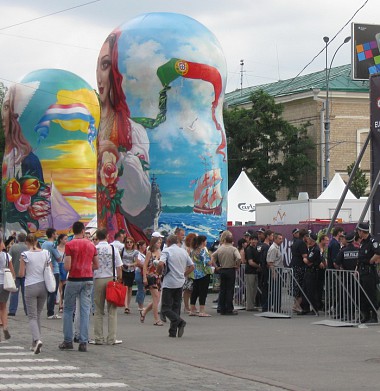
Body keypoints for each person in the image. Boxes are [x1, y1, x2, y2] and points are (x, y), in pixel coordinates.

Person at [96, 30, 152, 242]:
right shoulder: (98, 127)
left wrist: (125, 162)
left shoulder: (133, 130)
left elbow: (139, 200)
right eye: (99, 66)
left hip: (121, 226)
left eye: (106, 65)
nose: (101, 76)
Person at [2, 84, 45, 235]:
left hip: (23, 227)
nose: (3, 115)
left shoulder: (29, 160)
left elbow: (39, 195)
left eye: (7, 107)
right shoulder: (9, 156)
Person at [59, 221, 99, 353]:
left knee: (68, 309)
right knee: (85, 310)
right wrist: (87, 267)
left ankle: (68, 340)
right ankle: (83, 341)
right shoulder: (91, 245)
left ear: (73, 231)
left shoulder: (69, 245)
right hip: (88, 279)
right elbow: (96, 265)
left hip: (74, 279)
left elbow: (67, 266)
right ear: (83, 231)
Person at [157, 235, 194, 337]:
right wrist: (184, 274)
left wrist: (158, 272)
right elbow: (192, 266)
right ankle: (172, 331)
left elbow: (160, 264)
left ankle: (180, 321)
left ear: (168, 242)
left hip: (169, 282)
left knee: (165, 308)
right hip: (180, 281)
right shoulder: (183, 251)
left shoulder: (166, 251)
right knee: (176, 306)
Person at [19, 234, 51, 353]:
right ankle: (34, 343)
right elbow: (49, 269)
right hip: (43, 285)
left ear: (27, 242)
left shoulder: (25, 255)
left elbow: (21, 273)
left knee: (32, 316)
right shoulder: (46, 253)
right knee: (37, 314)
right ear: (37, 241)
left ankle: (37, 340)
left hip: (30, 285)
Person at [91, 229, 123, 345]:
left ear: (97, 237)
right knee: (112, 310)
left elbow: (91, 264)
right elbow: (119, 266)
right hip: (111, 278)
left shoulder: (95, 248)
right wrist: (119, 279)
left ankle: (98, 338)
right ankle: (111, 338)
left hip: (98, 278)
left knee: (98, 309)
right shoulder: (113, 248)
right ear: (107, 236)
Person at [212, 230, 241, 315]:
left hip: (222, 269)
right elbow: (239, 258)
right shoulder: (233, 249)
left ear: (224, 240)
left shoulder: (220, 248)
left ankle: (221, 308)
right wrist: (237, 265)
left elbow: (213, 256)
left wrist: (217, 266)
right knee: (230, 290)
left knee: (222, 289)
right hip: (230, 269)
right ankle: (229, 308)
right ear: (231, 241)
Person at [356, 222, 380, 323]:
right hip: (362, 272)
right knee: (362, 295)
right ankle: (365, 315)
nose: (358, 233)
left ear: (362, 231)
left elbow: (378, 252)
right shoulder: (363, 242)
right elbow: (360, 258)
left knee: (371, 295)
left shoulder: (372, 240)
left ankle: (374, 316)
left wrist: (371, 261)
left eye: (358, 231)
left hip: (369, 272)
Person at [141, 235, 163, 325]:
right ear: (154, 243)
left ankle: (144, 311)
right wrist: (144, 277)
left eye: (161, 242)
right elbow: (145, 265)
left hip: (159, 277)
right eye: (158, 242)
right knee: (156, 297)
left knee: (157, 299)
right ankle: (156, 319)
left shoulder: (160, 252)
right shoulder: (149, 252)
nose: (159, 244)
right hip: (151, 276)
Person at [299, 233, 322, 315]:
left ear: (311, 240)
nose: (307, 240)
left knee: (311, 291)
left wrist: (305, 259)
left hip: (312, 272)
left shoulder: (315, 249)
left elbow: (308, 261)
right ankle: (305, 308)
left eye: (308, 239)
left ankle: (314, 309)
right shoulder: (311, 248)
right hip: (308, 271)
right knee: (305, 290)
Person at [189, 235, 213, 317]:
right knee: (203, 291)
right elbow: (208, 263)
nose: (206, 242)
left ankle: (192, 309)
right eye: (205, 241)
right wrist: (212, 257)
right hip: (204, 273)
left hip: (195, 273)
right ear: (203, 242)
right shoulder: (203, 251)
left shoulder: (194, 251)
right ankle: (202, 310)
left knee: (195, 291)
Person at [42, 228, 61, 319]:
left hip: (46, 269)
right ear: (53, 234)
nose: (56, 235)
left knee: (49, 291)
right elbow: (58, 258)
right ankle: (51, 312)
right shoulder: (52, 244)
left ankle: (49, 310)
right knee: (53, 291)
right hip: (54, 269)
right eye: (56, 233)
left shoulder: (44, 244)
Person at [8, 232, 28, 316]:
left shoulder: (13, 247)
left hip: (15, 273)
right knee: (26, 294)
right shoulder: (27, 248)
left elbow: (9, 258)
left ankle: (12, 311)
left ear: (18, 238)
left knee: (14, 293)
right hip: (25, 273)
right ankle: (27, 310)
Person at [0, 235, 15, 342]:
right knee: (3, 307)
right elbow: (12, 270)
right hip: (4, 283)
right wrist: (13, 279)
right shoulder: (6, 256)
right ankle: (5, 327)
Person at [290, 228, 308, 313]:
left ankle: (296, 305)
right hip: (300, 266)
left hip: (294, 265)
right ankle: (296, 305)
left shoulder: (295, 243)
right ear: (304, 236)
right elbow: (304, 255)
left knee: (296, 286)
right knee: (300, 286)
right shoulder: (302, 244)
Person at [120, 236, 139, 314]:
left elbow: (136, 262)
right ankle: (126, 306)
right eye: (127, 242)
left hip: (131, 270)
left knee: (130, 288)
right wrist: (121, 265)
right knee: (126, 287)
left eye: (131, 242)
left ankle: (128, 304)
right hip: (123, 270)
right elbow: (119, 259)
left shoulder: (135, 252)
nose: (129, 244)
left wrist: (130, 265)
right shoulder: (122, 250)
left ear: (133, 243)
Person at [266, 233, 284, 313]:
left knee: (278, 290)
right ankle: (273, 307)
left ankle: (276, 307)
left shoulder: (276, 248)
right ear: (275, 239)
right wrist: (274, 273)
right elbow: (270, 262)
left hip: (278, 270)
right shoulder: (273, 248)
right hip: (275, 270)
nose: (281, 240)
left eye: (281, 238)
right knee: (275, 290)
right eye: (280, 239)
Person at [257, 229, 273, 312]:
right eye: (272, 235)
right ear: (268, 236)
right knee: (266, 289)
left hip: (264, 270)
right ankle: (265, 306)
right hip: (265, 271)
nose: (273, 237)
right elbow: (266, 260)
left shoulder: (265, 246)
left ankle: (265, 305)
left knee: (266, 289)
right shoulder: (266, 247)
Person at [245, 234, 260, 311]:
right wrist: (259, 267)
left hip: (255, 272)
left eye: (255, 239)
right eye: (252, 239)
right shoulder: (249, 249)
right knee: (250, 290)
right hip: (249, 272)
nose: (254, 241)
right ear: (250, 240)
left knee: (254, 290)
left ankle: (251, 305)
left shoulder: (257, 249)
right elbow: (250, 262)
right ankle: (249, 306)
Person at [183, 232, 196, 314]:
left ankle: (192, 305)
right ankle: (186, 306)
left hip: (193, 270)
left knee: (192, 289)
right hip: (188, 270)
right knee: (187, 289)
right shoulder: (187, 249)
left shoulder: (194, 249)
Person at [57, 234, 68, 313]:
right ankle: (60, 304)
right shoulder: (56, 248)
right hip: (58, 267)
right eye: (65, 239)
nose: (66, 241)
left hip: (65, 267)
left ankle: (64, 303)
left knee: (65, 286)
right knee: (60, 287)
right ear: (60, 240)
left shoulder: (67, 248)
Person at [135, 240, 147, 311]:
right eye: (144, 245)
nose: (145, 247)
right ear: (140, 246)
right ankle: (140, 305)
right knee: (141, 289)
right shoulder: (138, 254)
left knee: (143, 289)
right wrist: (145, 266)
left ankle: (141, 303)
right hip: (139, 272)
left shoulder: (143, 254)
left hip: (142, 272)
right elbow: (138, 263)